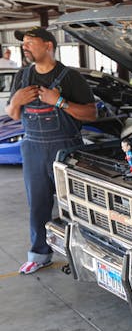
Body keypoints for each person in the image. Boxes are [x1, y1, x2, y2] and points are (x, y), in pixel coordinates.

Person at [6, 27, 97, 274]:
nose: (25, 47)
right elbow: (13, 114)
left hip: (66, 149)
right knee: (38, 205)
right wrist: (16, 101)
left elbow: (91, 113)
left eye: (30, 42)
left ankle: (85, 254)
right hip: (33, 148)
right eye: (23, 43)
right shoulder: (22, 77)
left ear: (48, 46)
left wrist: (59, 102)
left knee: (75, 206)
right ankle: (39, 255)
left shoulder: (70, 78)